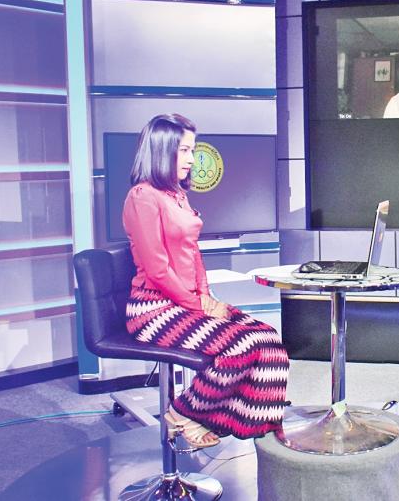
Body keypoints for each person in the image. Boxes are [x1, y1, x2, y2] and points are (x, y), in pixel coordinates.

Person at [122, 113, 289, 448]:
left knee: (269, 339)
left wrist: (206, 296)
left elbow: (193, 253)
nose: (192, 159)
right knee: (241, 346)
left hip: (187, 301)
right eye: (184, 150)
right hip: (152, 309)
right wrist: (197, 304)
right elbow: (157, 269)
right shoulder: (142, 197)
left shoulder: (176, 195)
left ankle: (255, 425)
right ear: (162, 151)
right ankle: (183, 412)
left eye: (193, 150)